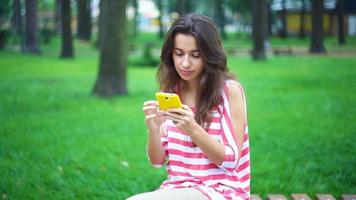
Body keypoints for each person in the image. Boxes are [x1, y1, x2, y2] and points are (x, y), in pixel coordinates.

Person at [128, 13, 250, 200]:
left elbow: (231, 160)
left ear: (209, 55)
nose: (185, 63)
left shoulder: (229, 92)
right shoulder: (171, 92)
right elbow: (157, 161)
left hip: (222, 191)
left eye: (195, 55)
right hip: (177, 188)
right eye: (179, 53)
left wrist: (192, 128)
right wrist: (153, 130)